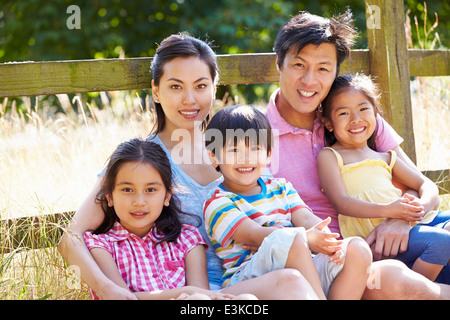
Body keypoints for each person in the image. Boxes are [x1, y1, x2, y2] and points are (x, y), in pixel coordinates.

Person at [59, 33, 317, 300]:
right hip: (193, 294)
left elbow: (280, 208)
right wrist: (108, 289)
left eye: (201, 86)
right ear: (156, 91)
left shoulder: (242, 149)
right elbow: (71, 238)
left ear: (215, 88)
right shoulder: (141, 161)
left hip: (256, 277)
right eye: (176, 87)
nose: (190, 99)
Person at [265, 9, 450, 298]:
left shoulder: (355, 118)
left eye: (324, 68)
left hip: (408, 240)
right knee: (399, 281)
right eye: (298, 65)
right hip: (342, 267)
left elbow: (418, 184)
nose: (310, 80)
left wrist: (399, 220)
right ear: (279, 64)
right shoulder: (257, 141)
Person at [203, 104, 372, 299]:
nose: (246, 158)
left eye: (255, 149)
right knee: (287, 239)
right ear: (214, 157)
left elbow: (307, 219)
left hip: (303, 267)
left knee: (357, 249)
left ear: (268, 154)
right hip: (250, 279)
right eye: (234, 150)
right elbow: (257, 235)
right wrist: (305, 239)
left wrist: (326, 241)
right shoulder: (217, 202)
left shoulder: (280, 187)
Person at [317, 74, 450, 283]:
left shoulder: (385, 157)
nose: (356, 119)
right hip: (377, 240)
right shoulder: (330, 156)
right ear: (329, 123)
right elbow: (341, 202)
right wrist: (389, 210)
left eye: (363, 109)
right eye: (343, 113)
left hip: (409, 226)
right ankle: (413, 291)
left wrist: (413, 211)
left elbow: (426, 185)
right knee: (441, 242)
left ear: (376, 114)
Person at [84, 138, 237, 299]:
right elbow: (122, 297)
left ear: (167, 196)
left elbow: (202, 294)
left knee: (247, 300)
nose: (139, 202)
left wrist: (193, 294)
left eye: (150, 189)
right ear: (109, 197)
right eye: (127, 189)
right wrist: (184, 293)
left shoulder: (187, 239)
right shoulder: (101, 246)